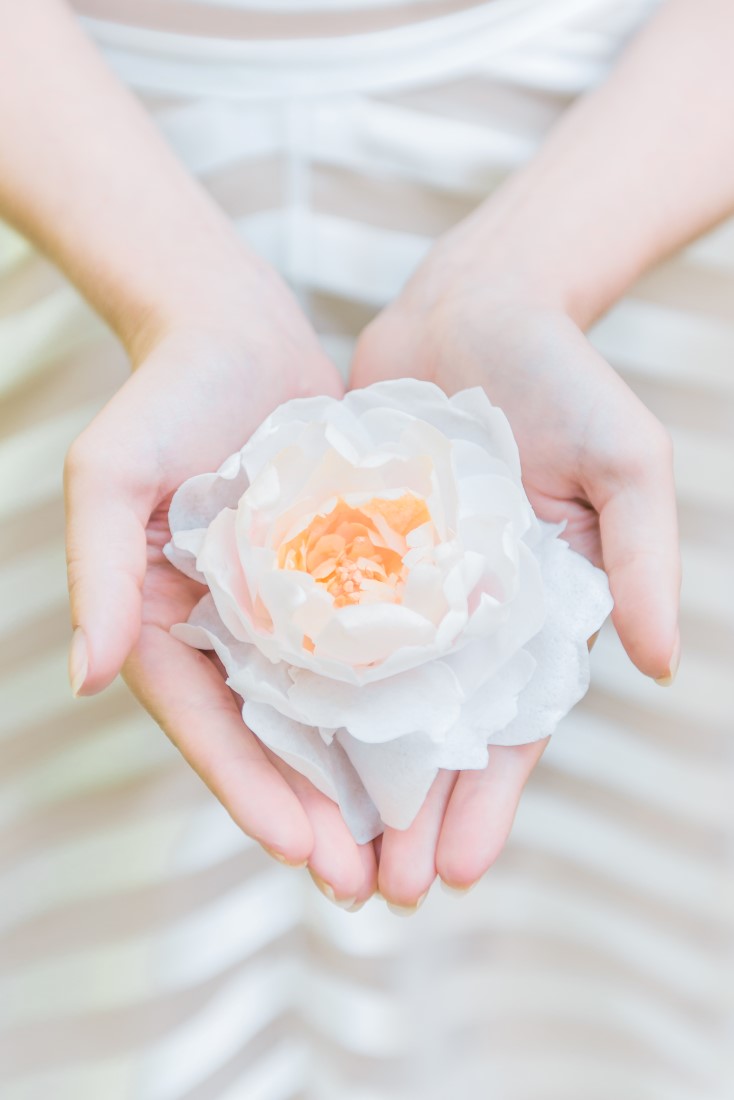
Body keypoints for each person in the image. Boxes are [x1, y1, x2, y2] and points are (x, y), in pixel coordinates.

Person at [1, 1, 731, 1096]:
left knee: (599, 949)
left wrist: (530, 270)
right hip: (70, 154)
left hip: (635, 142)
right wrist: (170, 287)